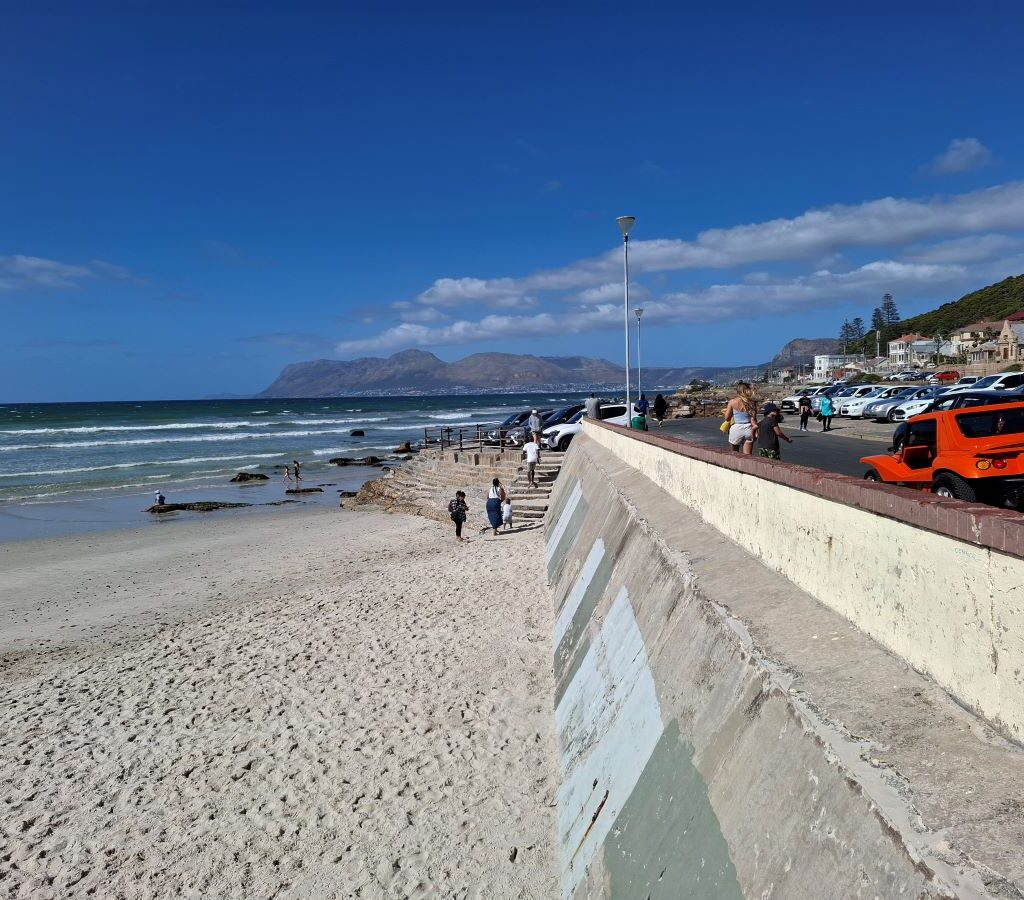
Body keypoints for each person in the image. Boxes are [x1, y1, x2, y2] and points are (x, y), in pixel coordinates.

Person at [723, 381, 758, 454]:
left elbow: (727, 418)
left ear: (738, 391)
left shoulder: (732, 402)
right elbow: (753, 418)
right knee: (747, 456)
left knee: (735, 454)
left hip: (736, 428)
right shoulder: (752, 403)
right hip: (749, 428)